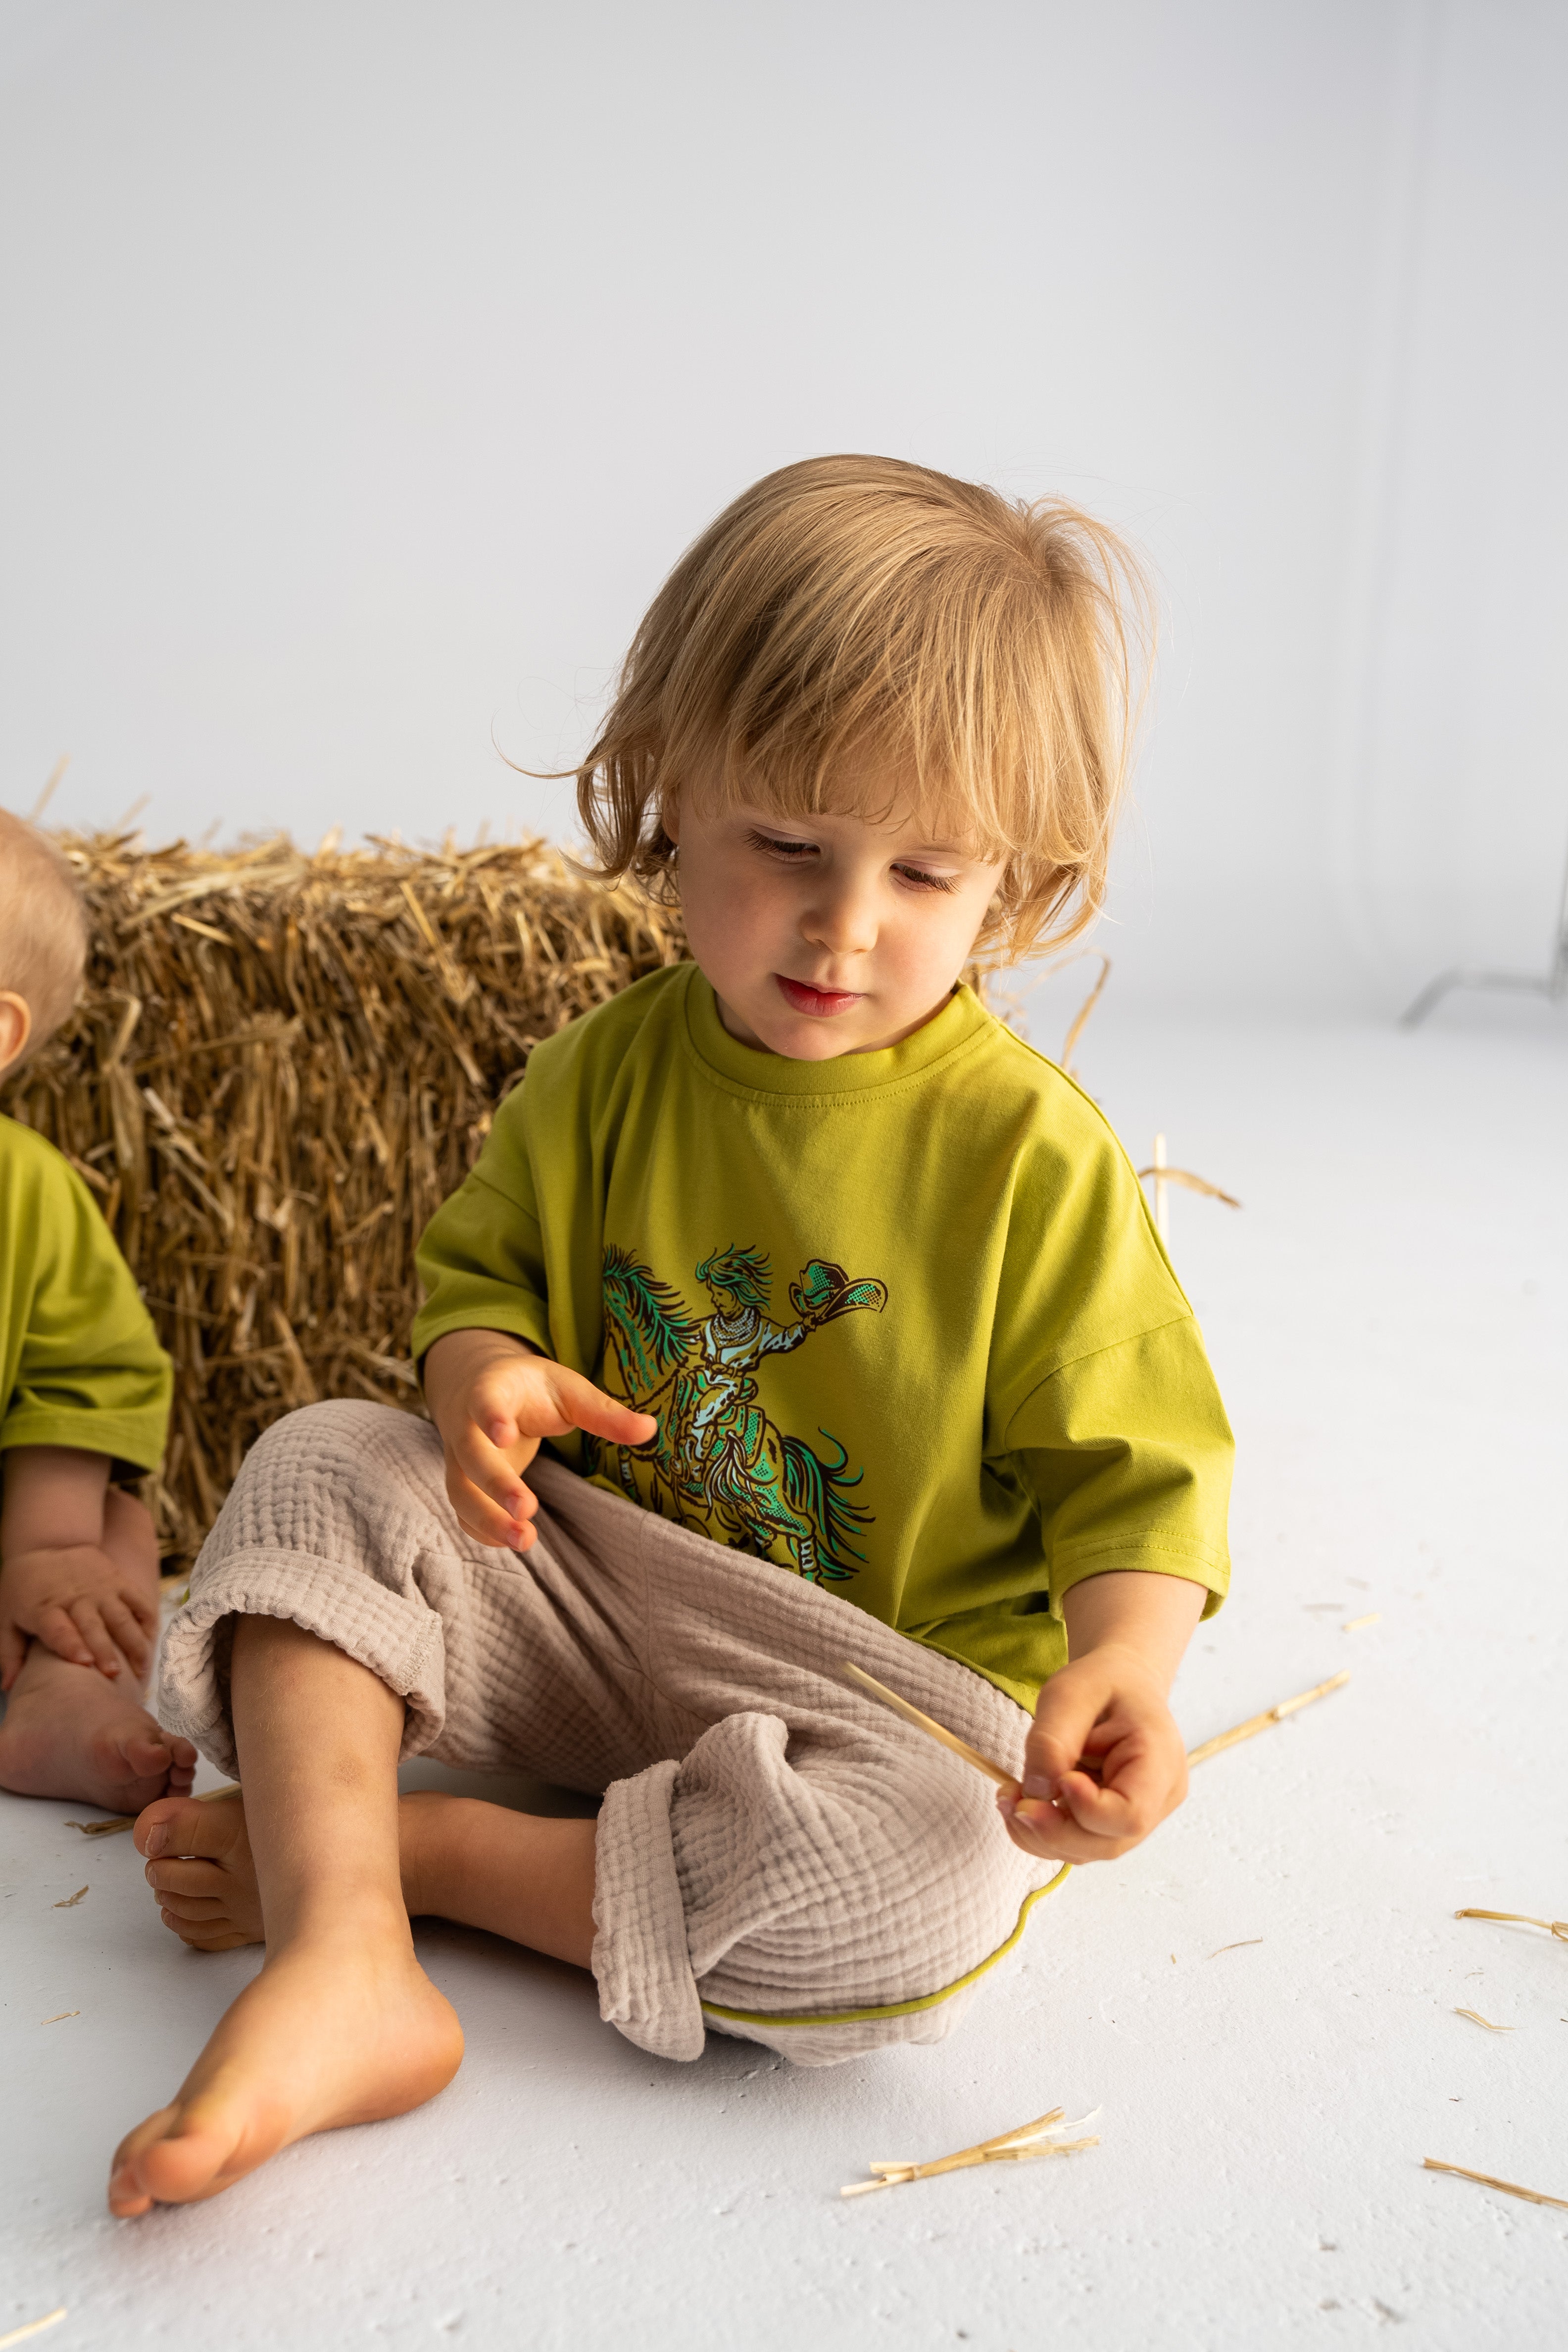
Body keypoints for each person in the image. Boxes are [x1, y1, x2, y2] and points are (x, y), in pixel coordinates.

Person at [112, 455, 1233, 2218]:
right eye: (783, 843)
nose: (840, 923)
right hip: (603, 1588)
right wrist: (477, 1379)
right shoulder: (606, 1072)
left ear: (1014, 884)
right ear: (666, 793)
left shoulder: (1023, 1152)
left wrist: (1125, 1668)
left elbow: (1137, 1478)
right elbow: (472, 1285)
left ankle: (414, 1860)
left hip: (871, 1685)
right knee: (320, 1464)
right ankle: (342, 1963)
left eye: (921, 873)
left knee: (925, 1889)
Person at [0, 811, 194, 1811]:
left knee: (112, 1527)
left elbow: (85, 1377)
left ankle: (61, 1699)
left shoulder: (30, 1193)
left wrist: (44, 1555)